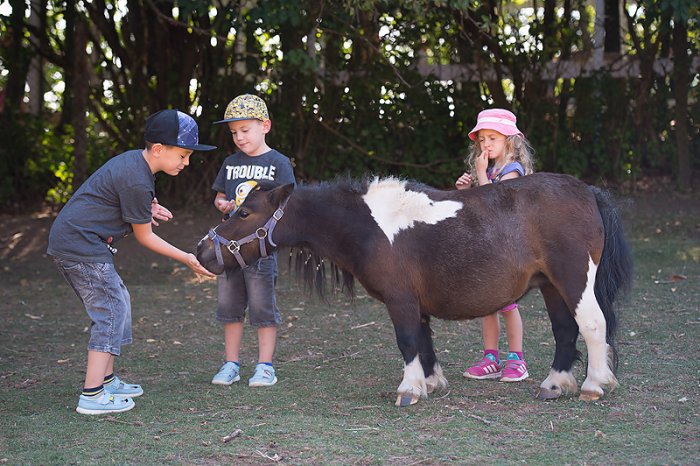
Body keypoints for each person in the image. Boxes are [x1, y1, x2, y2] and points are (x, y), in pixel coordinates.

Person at [48, 109, 217, 415]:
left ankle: (107, 380)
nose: (186, 162)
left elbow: (117, 201)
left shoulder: (136, 167)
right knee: (110, 310)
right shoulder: (137, 180)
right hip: (79, 245)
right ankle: (92, 395)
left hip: (81, 243)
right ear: (158, 150)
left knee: (118, 301)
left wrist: (146, 210)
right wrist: (188, 259)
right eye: (183, 155)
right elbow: (146, 238)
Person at [209, 94, 295, 388]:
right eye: (234, 132)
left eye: (245, 130)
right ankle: (231, 364)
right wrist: (222, 204)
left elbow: (286, 205)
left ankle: (265, 366)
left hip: (259, 250)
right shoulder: (230, 163)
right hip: (229, 250)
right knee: (229, 307)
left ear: (265, 126)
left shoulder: (278, 163)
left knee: (262, 307)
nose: (239, 137)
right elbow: (220, 195)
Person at [455, 108, 535, 382]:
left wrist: (480, 175)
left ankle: (517, 359)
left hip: (508, 249)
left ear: (509, 142)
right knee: (487, 305)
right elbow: (477, 209)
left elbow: (494, 205)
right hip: (487, 248)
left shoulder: (513, 171)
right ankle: (491, 357)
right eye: (482, 139)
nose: (486, 144)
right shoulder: (489, 170)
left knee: (508, 304)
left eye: (493, 138)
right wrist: (467, 191)